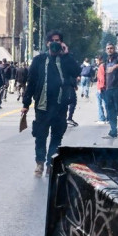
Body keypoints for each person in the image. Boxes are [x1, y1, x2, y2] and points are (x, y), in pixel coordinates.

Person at [23, 31, 79, 176]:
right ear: (47, 43)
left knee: (57, 136)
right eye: (52, 41)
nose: (55, 43)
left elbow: (76, 71)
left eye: (58, 41)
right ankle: (40, 163)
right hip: (42, 105)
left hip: (60, 106)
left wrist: (66, 55)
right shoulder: (39, 60)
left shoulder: (66, 59)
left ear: (62, 43)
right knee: (41, 135)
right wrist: (25, 103)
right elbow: (31, 82)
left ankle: (50, 163)